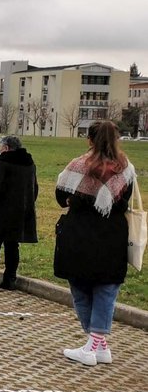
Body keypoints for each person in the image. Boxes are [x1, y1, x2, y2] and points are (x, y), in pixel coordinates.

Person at [55, 121, 134, 366]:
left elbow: (61, 196)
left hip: (80, 232)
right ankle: (99, 344)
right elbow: (122, 202)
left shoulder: (78, 165)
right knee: (106, 288)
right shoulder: (125, 168)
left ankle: (92, 343)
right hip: (113, 233)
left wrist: (77, 200)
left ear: (90, 139)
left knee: (79, 285)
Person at [0, 135, 38, 290]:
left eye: (0, 147)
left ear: (5, 148)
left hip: (0, 211)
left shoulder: (2, 163)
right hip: (21, 211)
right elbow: (35, 188)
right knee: (13, 246)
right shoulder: (29, 164)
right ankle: (10, 279)